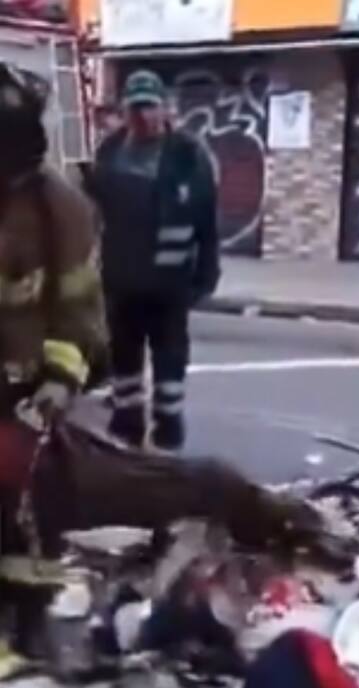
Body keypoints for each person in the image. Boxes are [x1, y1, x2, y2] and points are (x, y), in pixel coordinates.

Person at [0, 62, 107, 655]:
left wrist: (59, 380)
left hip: (25, 382)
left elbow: (79, 309)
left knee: (26, 507)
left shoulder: (59, 209)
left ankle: (30, 622)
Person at [88, 69, 220, 452]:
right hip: (122, 280)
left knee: (169, 359)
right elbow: (99, 211)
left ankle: (168, 426)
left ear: (165, 108)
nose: (143, 116)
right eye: (135, 108)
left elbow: (206, 220)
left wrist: (206, 274)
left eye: (150, 107)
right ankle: (127, 422)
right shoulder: (110, 151)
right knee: (124, 357)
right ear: (125, 111)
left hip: (169, 284)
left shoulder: (188, 155)